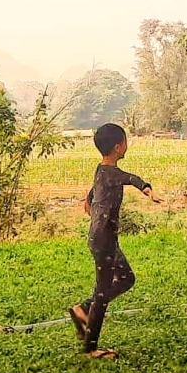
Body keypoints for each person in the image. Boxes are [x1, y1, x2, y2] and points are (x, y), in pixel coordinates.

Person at [69, 123, 160, 359]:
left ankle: (85, 309)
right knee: (102, 293)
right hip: (104, 240)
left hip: (102, 237)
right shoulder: (112, 173)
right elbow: (131, 178)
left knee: (127, 278)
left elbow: (94, 188)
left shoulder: (101, 170)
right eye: (126, 141)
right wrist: (148, 190)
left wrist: (88, 199)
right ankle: (91, 347)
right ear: (119, 147)